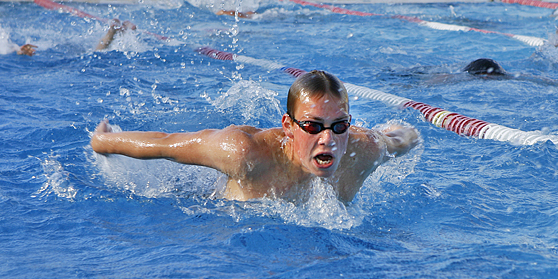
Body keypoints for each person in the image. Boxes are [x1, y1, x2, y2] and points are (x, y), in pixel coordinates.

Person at [91, 70, 419, 203]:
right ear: (288, 127)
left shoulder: (363, 150)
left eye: (339, 126)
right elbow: (166, 144)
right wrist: (103, 142)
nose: (328, 139)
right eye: (313, 126)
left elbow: (400, 138)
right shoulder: (245, 153)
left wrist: (406, 134)